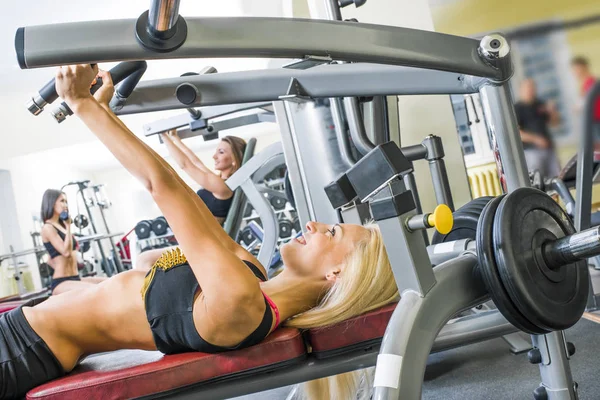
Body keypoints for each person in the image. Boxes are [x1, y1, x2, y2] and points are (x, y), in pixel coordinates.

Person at [0, 65, 399, 400]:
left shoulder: (241, 305)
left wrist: (82, 104)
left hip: (24, 347)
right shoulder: (250, 272)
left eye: (330, 232)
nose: (312, 225)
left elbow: (164, 187)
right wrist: (104, 112)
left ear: (336, 274)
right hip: (25, 326)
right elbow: (173, 214)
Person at [132, 131, 247, 270]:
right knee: (144, 260)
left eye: (221, 152)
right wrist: (175, 138)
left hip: (202, 246)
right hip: (196, 242)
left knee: (144, 260)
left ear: (234, 158)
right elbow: (195, 162)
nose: (214, 156)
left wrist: (164, 137)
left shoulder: (222, 188)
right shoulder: (220, 183)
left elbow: (186, 165)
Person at [40, 189, 106, 295]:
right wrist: (68, 226)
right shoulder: (48, 227)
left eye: (66, 201)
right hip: (62, 281)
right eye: (62, 201)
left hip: (75, 277)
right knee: (98, 291)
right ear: (51, 203)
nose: (65, 205)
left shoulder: (61, 226)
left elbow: (50, 260)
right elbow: (66, 252)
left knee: (110, 282)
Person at [514, 78, 562, 178]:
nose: (531, 90)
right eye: (528, 87)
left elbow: (555, 123)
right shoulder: (517, 108)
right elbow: (517, 133)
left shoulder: (540, 104)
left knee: (557, 180)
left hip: (549, 150)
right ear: (521, 90)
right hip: (531, 152)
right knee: (539, 183)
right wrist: (537, 140)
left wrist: (553, 111)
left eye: (532, 87)